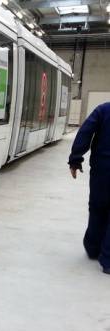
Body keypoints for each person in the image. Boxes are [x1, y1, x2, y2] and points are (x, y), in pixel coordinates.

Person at [69, 102, 110, 274]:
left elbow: (85, 132)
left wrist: (76, 159)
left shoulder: (104, 110)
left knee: (97, 207)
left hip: (102, 170)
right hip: (102, 168)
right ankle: (108, 260)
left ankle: (93, 248)